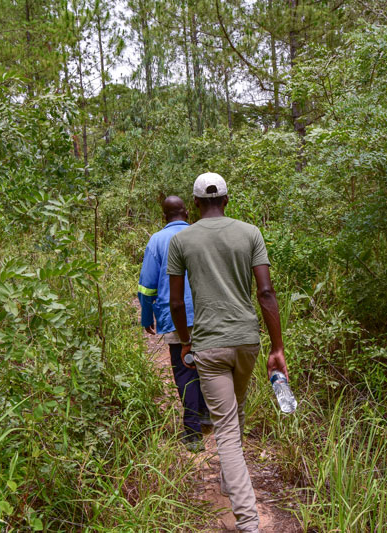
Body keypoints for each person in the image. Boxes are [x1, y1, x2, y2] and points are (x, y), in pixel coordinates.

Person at [167, 173, 288, 533]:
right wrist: (277, 347)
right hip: (247, 343)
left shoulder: (182, 239)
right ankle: (228, 481)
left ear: (195, 205)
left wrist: (186, 340)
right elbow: (266, 293)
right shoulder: (250, 233)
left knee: (225, 430)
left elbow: (176, 301)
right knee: (235, 409)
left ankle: (248, 522)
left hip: (209, 345)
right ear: (227, 200)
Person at [138, 195, 210, 452]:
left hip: (175, 315)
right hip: (207, 314)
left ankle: (192, 432)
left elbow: (147, 286)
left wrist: (147, 317)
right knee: (205, 365)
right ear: (187, 213)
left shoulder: (157, 240)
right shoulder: (201, 235)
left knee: (184, 368)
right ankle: (205, 414)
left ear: (163, 217)